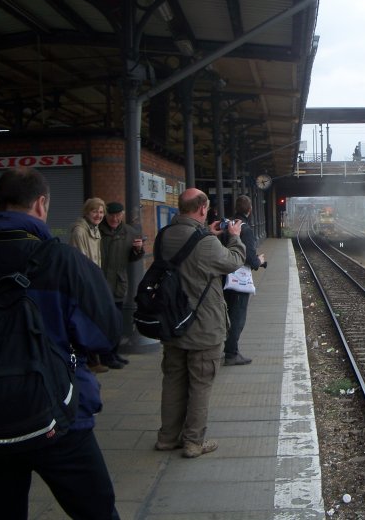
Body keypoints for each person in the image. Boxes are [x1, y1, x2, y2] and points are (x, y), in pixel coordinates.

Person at [0, 167, 122, 520]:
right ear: (40, 204)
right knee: (96, 512)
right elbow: (105, 335)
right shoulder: (67, 263)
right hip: (62, 419)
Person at [154, 188, 246, 459]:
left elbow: (188, 253)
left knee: (172, 381)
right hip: (202, 325)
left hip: (171, 323)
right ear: (203, 209)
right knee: (200, 384)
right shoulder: (205, 242)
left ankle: (167, 438)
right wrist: (235, 238)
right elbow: (232, 262)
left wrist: (208, 234)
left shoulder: (164, 235)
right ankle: (194, 441)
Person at [99, 201, 145, 369]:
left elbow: (133, 258)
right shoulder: (97, 230)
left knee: (116, 322)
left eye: (118, 215)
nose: (115, 218)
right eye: (111, 215)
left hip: (118, 283)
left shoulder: (129, 232)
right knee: (103, 322)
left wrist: (138, 250)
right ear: (106, 214)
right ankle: (104, 356)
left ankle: (113, 354)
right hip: (101, 283)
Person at [222, 195, 265, 366]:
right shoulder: (244, 229)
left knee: (228, 315)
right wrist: (260, 260)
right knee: (237, 316)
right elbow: (250, 258)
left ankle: (228, 349)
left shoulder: (227, 225)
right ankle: (231, 354)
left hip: (224, 276)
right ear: (250, 210)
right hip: (238, 280)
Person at [70, 197, 109, 373]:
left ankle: (92, 360)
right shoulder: (80, 231)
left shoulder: (94, 230)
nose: (98, 215)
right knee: (87, 320)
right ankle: (86, 361)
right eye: (95, 211)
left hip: (92, 281)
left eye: (101, 212)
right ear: (87, 212)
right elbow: (82, 260)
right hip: (85, 284)